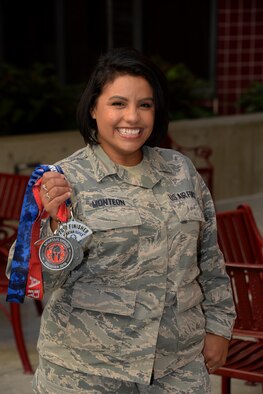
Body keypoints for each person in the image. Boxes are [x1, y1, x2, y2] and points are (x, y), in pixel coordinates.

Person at [8, 47, 236, 393]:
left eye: (145, 105)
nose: (133, 117)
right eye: (118, 103)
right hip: (87, 372)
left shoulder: (180, 171)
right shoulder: (64, 181)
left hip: (177, 368)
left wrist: (219, 326)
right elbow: (26, 279)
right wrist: (54, 226)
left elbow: (210, 260)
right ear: (93, 109)